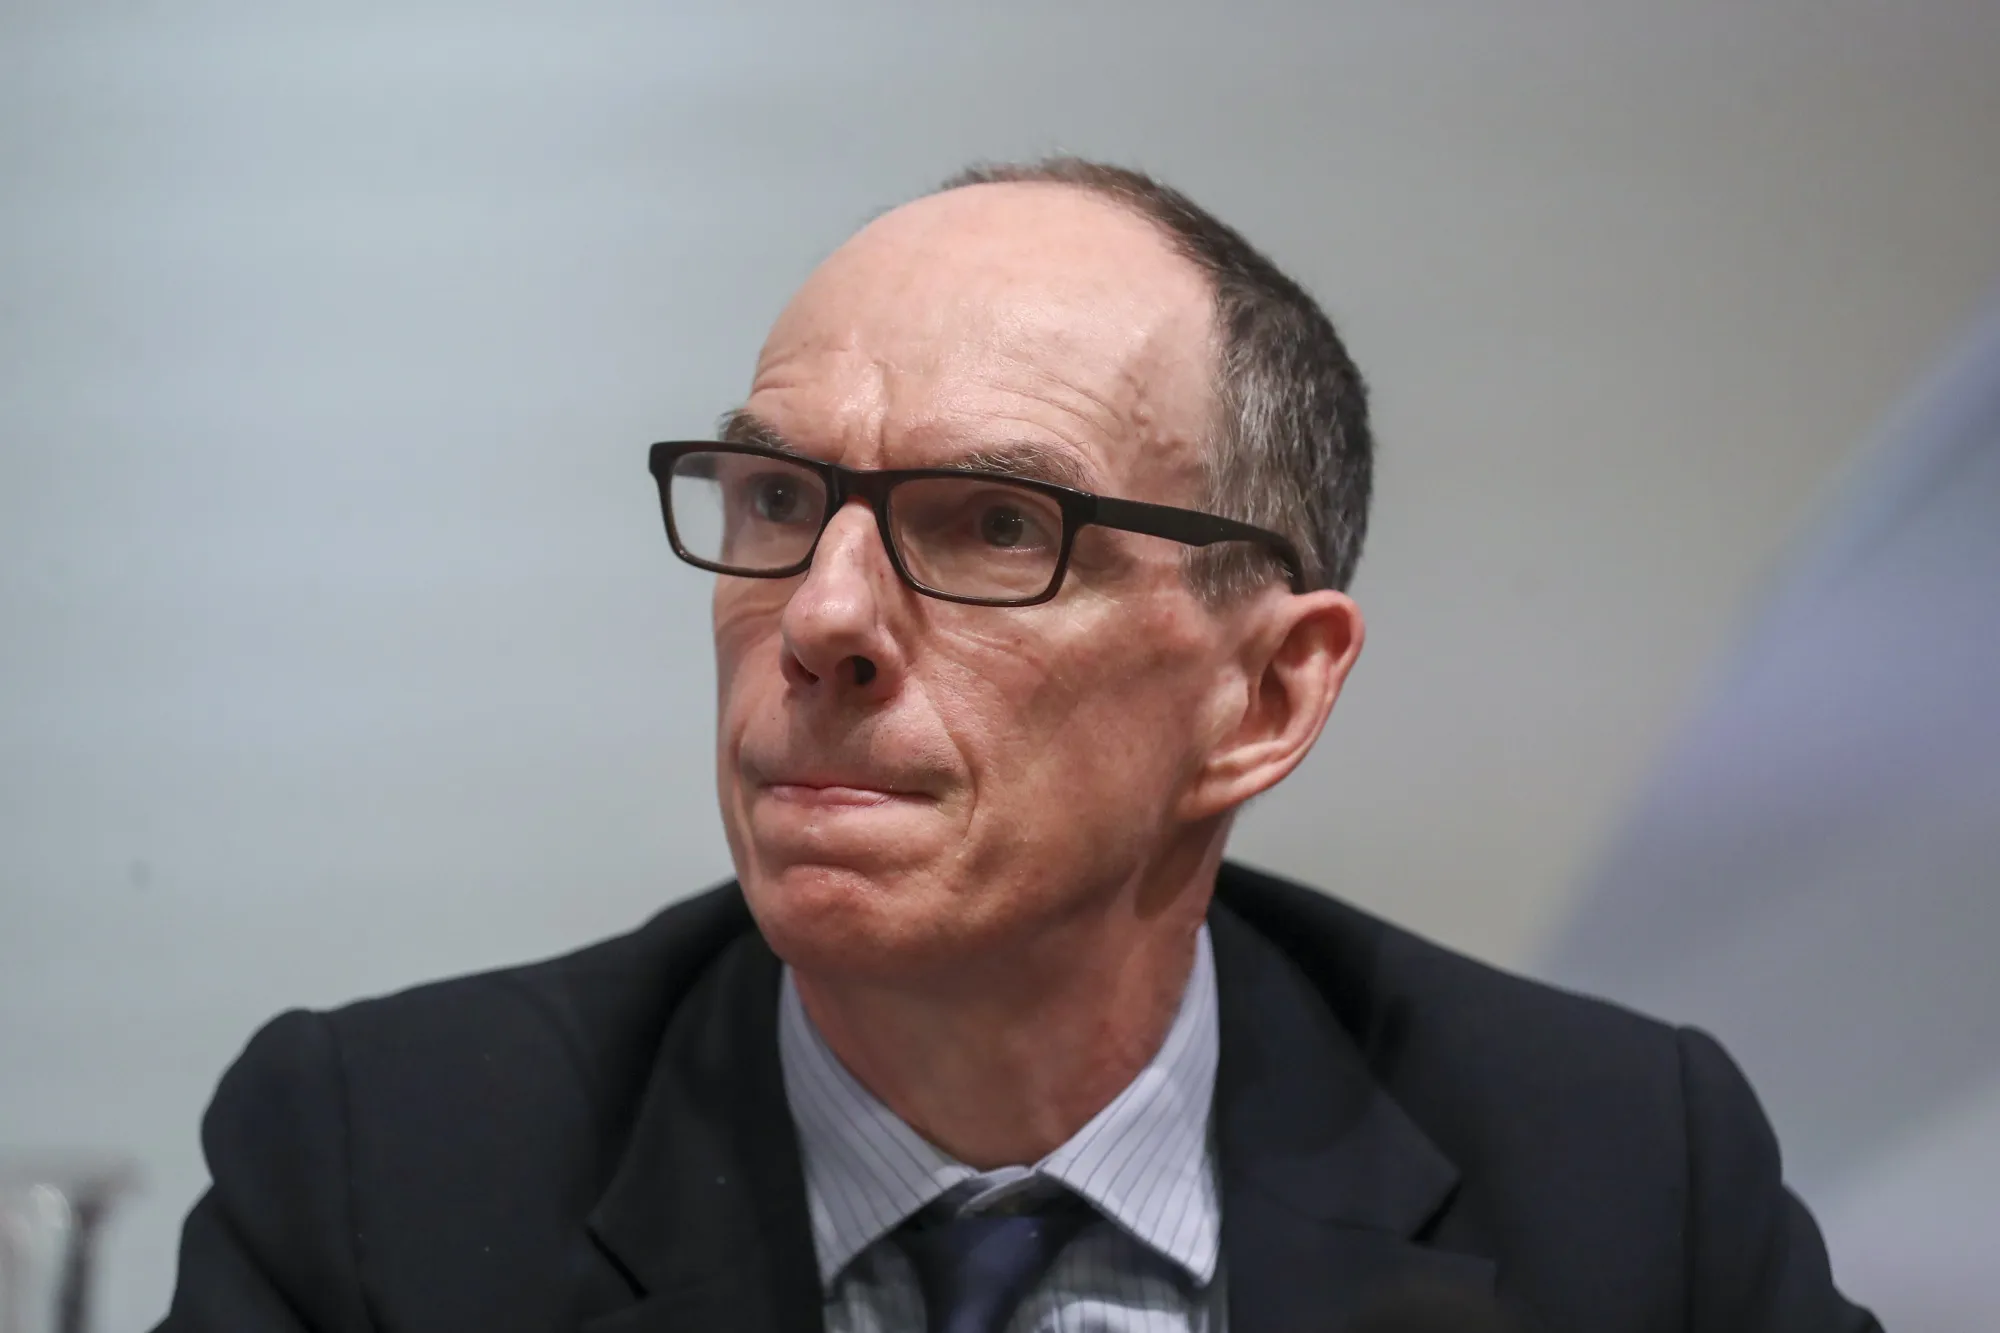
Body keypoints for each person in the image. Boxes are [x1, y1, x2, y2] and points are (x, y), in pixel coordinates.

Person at [154, 158, 1880, 1333]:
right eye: (776, 499)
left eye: (991, 526)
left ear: (1266, 696)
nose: (823, 617)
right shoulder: (384, 1175)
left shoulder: (1618, 1180)